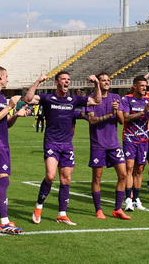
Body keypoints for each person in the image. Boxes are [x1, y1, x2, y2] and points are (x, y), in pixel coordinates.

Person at [25, 71, 101, 226]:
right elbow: (28, 98)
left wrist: (97, 84)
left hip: (67, 144)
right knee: (51, 176)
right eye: (63, 79)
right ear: (56, 83)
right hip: (52, 142)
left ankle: (62, 214)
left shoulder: (74, 99)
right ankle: (39, 206)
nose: (67, 82)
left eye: (68, 79)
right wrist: (38, 82)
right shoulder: (47, 98)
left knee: (66, 179)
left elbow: (97, 101)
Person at [0, 66, 30, 234]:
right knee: (3, 179)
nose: (8, 79)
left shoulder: (1, 97)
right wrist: (10, 106)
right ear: (0, 77)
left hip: (1, 142)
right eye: (7, 76)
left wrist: (16, 114)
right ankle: (4, 221)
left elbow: (6, 122)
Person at [86, 72, 130, 220]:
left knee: (123, 175)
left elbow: (122, 121)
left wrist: (116, 111)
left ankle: (117, 208)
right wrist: (110, 113)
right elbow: (92, 121)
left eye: (108, 80)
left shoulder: (116, 98)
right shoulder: (91, 100)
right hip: (98, 144)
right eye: (103, 80)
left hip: (114, 144)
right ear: (97, 83)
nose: (106, 82)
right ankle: (98, 209)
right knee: (97, 178)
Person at [118, 75, 149, 211]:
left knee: (139, 170)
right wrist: (143, 112)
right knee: (129, 168)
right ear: (135, 86)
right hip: (129, 138)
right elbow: (126, 118)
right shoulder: (127, 99)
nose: (145, 88)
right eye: (142, 86)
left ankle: (136, 199)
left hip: (144, 139)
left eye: (145, 86)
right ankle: (128, 199)